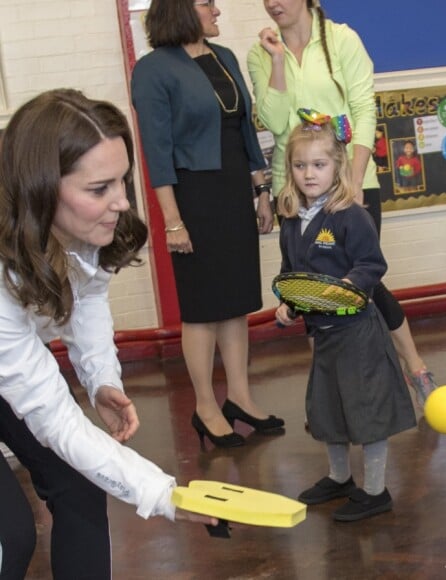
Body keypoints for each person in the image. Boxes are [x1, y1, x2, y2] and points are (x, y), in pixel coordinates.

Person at [0, 89, 217, 579]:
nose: (121, 202)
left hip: (9, 364)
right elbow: (53, 419)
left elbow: (89, 294)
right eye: (99, 189)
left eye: (121, 181)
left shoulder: (81, 229)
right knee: (8, 538)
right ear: (41, 188)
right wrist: (159, 492)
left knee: (78, 487)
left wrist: (100, 378)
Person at [248, 0, 437, 409]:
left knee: (362, 282)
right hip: (293, 189)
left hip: (352, 182)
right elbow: (276, 122)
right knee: (310, 283)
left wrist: (352, 178)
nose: (272, 3)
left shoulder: (343, 39)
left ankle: (415, 367)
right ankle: (330, 390)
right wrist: (277, 63)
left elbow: (365, 109)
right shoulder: (260, 52)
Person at [131, 0, 284, 447]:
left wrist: (261, 189)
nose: (217, 10)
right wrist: (172, 221)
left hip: (234, 189)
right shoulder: (153, 69)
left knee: (235, 301)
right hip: (193, 197)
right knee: (201, 308)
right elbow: (157, 154)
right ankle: (204, 406)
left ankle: (239, 397)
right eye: (206, 4)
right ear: (180, 10)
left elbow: (244, 131)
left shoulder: (225, 57)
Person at [275, 112, 416, 521]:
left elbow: (372, 266)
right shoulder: (290, 220)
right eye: (300, 166)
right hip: (323, 334)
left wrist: (346, 287)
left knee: (366, 410)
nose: (308, 174)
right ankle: (340, 477)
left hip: (358, 333)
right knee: (328, 407)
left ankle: (375, 491)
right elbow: (292, 274)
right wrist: (289, 303)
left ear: (337, 165)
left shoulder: (351, 215)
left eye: (318, 165)